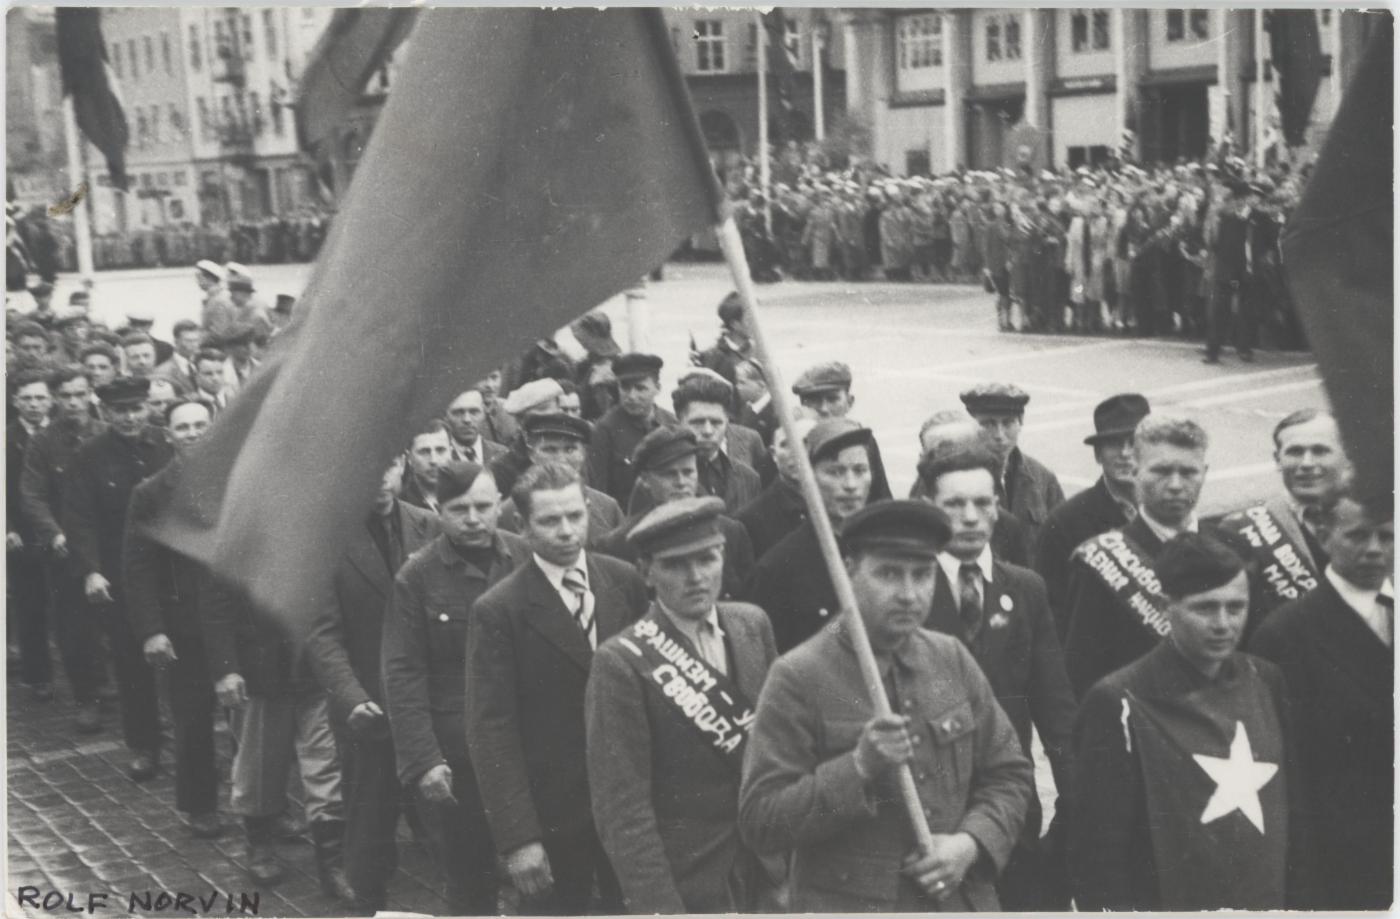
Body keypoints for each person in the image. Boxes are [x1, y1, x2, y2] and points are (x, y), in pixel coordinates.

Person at [738, 500, 1034, 912]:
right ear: (848, 571)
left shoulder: (950, 657)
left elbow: (1010, 774)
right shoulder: (798, 675)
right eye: (889, 574)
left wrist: (970, 844)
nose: (909, 594)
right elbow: (761, 821)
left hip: (957, 903)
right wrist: (858, 767)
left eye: (922, 574)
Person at [1070, 533, 1307, 910]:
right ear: (1166, 607)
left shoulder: (1265, 680)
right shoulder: (1118, 700)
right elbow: (1099, 853)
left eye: (1236, 607)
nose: (1223, 624)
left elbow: (1291, 815)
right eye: (1205, 608)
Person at [464, 463, 648, 914]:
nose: (566, 531)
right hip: (554, 816)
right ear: (522, 526)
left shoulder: (624, 580)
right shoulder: (499, 610)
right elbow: (491, 730)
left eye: (575, 515)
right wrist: (519, 838)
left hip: (629, 802)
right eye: (549, 521)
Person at [586, 496, 779, 913]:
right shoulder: (620, 662)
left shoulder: (752, 625)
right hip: (691, 882)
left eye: (707, 559)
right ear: (646, 572)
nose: (696, 577)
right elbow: (623, 811)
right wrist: (660, 907)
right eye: (675, 565)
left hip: (770, 871)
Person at [918, 446, 1077, 910]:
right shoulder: (910, 592)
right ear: (929, 507)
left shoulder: (1024, 589)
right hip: (933, 817)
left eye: (982, 502)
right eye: (954, 504)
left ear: (997, 506)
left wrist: (1076, 805)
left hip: (1011, 810)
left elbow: (1056, 710)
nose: (970, 517)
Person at [381, 461, 525, 915]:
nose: (474, 519)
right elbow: (402, 672)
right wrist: (424, 760)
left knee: (540, 870)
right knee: (469, 878)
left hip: (527, 743)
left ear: (500, 504)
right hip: (459, 754)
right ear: (438, 511)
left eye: (483, 506)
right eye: (459, 509)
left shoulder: (525, 558)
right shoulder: (416, 577)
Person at [304, 457, 440, 913]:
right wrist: (351, 697)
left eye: (388, 465)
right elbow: (322, 634)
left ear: (403, 466)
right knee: (369, 819)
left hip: (429, 700)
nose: (379, 478)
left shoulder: (429, 526)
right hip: (369, 707)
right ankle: (367, 898)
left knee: (449, 815)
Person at [1249, 492, 1393, 910]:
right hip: (1345, 857)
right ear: (1324, 536)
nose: (1374, 549)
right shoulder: (1284, 634)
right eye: (1358, 536)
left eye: (1387, 536)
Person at [200, 574, 351, 898]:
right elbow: (215, 606)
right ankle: (260, 845)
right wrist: (225, 669)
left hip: (317, 667)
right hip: (261, 673)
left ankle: (333, 863)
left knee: (327, 763)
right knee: (259, 766)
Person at [62, 377, 171, 780]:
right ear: (105, 412)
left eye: (136, 408)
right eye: (120, 411)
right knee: (131, 661)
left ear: (148, 407)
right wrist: (91, 570)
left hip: (173, 569)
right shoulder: (89, 455)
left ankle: (195, 741)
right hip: (121, 573)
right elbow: (79, 518)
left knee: (188, 655)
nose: (129, 417)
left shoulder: (167, 443)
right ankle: (143, 744)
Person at [122, 400, 222, 838]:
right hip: (186, 625)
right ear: (169, 435)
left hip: (236, 621)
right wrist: (152, 630)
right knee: (194, 719)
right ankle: (200, 805)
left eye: (201, 424)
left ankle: (266, 808)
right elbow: (138, 567)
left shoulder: (238, 480)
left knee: (254, 719)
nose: (193, 433)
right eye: (183, 427)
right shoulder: (150, 493)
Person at [1062, 414, 1212, 698]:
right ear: (1135, 471)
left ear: (1205, 472)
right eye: (1161, 471)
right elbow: (1082, 673)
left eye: (1188, 472)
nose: (1175, 484)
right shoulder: (1100, 562)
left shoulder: (1229, 546)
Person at [745, 418, 883, 653]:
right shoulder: (778, 568)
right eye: (835, 472)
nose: (851, 485)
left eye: (860, 470)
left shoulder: (886, 550)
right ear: (809, 477)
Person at [20, 365, 107, 731]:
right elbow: (32, 494)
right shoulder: (43, 442)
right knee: (74, 628)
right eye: (66, 396)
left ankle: (126, 690)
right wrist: (54, 534)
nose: (73, 402)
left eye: (80, 394)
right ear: (56, 398)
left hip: (108, 544)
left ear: (91, 394)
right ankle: (87, 698)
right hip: (65, 549)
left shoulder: (106, 433)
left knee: (122, 622)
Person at [1216, 409, 1349, 625]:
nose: (1306, 463)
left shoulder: (1377, 519)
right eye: (1295, 452)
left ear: (1346, 456)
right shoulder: (1241, 530)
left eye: (1320, 451)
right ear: (1277, 460)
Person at [1035, 393, 1151, 637]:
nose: (1125, 453)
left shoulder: (1167, 512)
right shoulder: (1064, 522)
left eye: (1133, 443)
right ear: (1098, 455)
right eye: (1114, 444)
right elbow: (1050, 613)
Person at [599, 426, 755, 600]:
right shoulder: (620, 544)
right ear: (645, 480)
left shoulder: (731, 532)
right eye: (669, 474)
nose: (681, 482)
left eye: (688, 472)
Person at [910, 409, 1036, 567]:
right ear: (922, 457)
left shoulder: (1007, 527)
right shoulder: (905, 526)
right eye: (941, 450)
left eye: (963, 448)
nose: (954, 457)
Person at [633, 378, 760, 516]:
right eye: (698, 422)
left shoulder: (748, 477)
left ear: (727, 422)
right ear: (679, 422)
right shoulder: (655, 480)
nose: (708, 431)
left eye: (716, 422)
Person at [495, 412, 624, 548]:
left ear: (583, 454)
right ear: (532, 454)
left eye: (570, 450)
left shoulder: (607, 507)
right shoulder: (508, 512)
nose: (561, 459)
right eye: (550, 450)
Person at [960, 383, 1064, 546]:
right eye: (988, 424)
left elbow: (1061, 540)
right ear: (972, 426)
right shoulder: (952, 477)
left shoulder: (1042, 478)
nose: (999, 435)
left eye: (1008, 423)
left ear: (1020, 423)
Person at [8, 369, 53, 700]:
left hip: (60, 530)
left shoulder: (62, 434)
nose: (34, 404)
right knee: (30, 605)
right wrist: (7, 528)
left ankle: (91, 679)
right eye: (27, 398)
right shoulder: (5, 439)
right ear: (15, 401)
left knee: (71, 607)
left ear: (50, 401)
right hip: (21, 534)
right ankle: (39, 677)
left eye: (40, 398)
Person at [588, 352, 676, 506]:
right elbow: (598, 493)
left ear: (658, 388)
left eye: (640, 388)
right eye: (625, 387)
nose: (632, 396)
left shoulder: (672, 423)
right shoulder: (604, 430)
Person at [736, 417, 816, 560]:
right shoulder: (749, 520)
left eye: (806, 443)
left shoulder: (842, 503)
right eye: (786, 444)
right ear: (774, 454)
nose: (798, 453)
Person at [1203, 180, 1255, 364]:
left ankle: (1244, 348)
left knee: (1243, 311)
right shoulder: (1224, 219)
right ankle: (1213, 351)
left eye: (1229, 199)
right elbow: (1214, 244)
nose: (1227, 203)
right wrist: (1212, 220)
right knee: (1220, 310)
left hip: (1243, 272)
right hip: (1227, 272)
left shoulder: (1252, 218)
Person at [489, 376, 565, 496]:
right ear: (520, 422)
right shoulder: (502, 468)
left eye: (556, 416)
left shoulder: (573, 453)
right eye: (540, 419)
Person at [691, 292, 753, 387]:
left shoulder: (760, 351)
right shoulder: (712, 357)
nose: (757, 325)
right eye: (750, 320)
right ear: (735, 324)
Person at [398, 420, 453, 512]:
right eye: (424, 452)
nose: (434, 460)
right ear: (409, 458)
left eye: (440, 450)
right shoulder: (399, 505)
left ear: (451, 453)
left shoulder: (467, 496)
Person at [444, 388, 508, 465]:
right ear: (446, 417)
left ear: (484, 414)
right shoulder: (439, 457)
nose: (467, 419)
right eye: (458, 413)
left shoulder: (503, 455)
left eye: (474, 412)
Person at [154, 319, 204, 395]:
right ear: (176, 342)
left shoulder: (200, 365)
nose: (194, 345)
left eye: (196, 340)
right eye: (189, 341)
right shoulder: (163, 372)